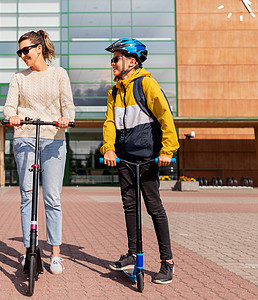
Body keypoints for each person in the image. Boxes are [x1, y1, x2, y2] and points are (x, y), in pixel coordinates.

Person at [100, 38, 179, 284]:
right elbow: (110, 123)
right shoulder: (114, 91)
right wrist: (109, 149)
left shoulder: (146, 84)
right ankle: (133, 254)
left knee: (154, 208)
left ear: (131, 61)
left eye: (116, 58)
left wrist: (168, 149)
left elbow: (166, 117)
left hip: (148, 156)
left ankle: (167, 261)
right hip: (124, 158)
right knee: (130, 207)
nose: (112, 63)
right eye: (112, 59)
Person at [3, 30, 75, 275]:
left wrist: (67, 119)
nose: (22, 55)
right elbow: (9, 105)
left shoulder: (59, 74)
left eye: (26, 50)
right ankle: (28, 250)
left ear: (39, 48)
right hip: (25, 138)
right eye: (19, 52)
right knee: (27, 194)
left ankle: (55, 254)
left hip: (53, 139)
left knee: (52, 198)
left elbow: (68, 104)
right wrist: (11, 116)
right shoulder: (18, 77)